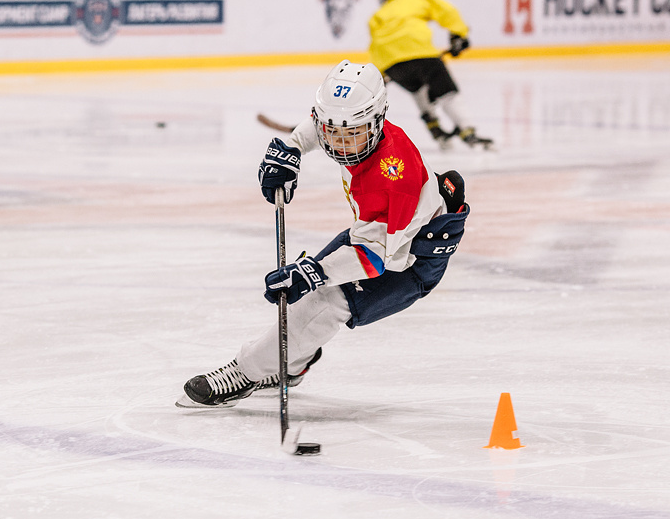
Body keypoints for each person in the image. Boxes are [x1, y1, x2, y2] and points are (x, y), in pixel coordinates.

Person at [176, 60, 470, 408]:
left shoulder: (391, 180)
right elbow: (323, 126)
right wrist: (291, 149)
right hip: (383, 237)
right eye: (334, 132)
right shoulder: (360, 127)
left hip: (408, 262)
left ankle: (244, 373)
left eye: (351, 135)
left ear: (376, 121)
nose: (341, 145)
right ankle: (291, 366)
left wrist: (313, 274)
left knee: (320, 304)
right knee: (305, 290)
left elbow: (373, 258)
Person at [369, 0, 494, 150]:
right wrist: (458, 33)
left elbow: (376, 45)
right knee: (447, 93)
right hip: (423, 55)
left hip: (391, 64)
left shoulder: (377, 16)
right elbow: (447, 12)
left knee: (417, 89)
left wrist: (380, 73)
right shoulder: (418, 0)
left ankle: (434, 127)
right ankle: (468, 131)